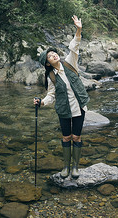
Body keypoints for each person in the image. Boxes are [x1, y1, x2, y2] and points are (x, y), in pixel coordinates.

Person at [34, 15, 89, 179]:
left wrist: (78, 29)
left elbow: (74, 46)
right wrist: (42, 102)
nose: (54, 55)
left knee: (76, 136)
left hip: (79, 106)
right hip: (64, 109)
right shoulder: (51, 76)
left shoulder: (70, 62)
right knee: (66, 137)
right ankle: (65, 167)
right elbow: (51, 95)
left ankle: (75, 168)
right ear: (48, 63)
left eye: (54, 53)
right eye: (50, 56)